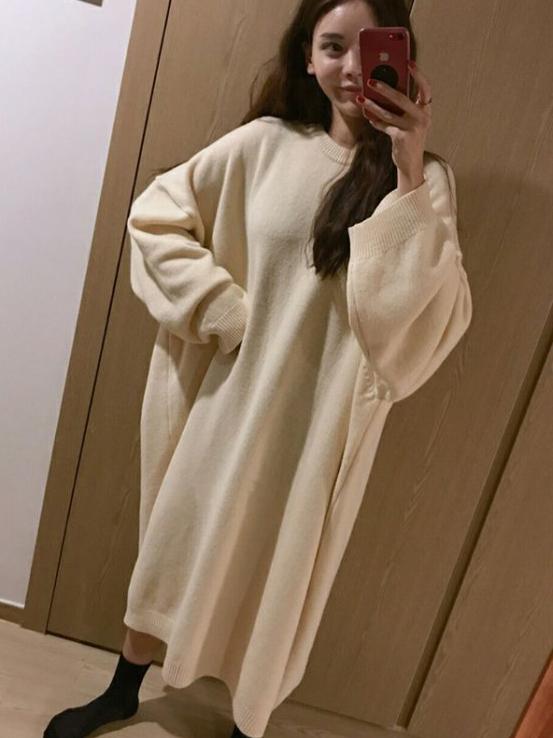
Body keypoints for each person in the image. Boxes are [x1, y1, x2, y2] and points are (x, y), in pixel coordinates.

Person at [43, 0, 472, 736]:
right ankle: (123, 690)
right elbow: (157, 217)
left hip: (322, 431)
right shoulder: (263, 145)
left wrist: (407, 174)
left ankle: (248, 724)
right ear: (306, 57)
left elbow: (420, 323)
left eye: (365, 47)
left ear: (398, 55)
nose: (349, 67)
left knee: (280, 576)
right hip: (232, 403)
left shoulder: (425, 182)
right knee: (180, 544)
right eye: (330, 46)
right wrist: (221, 311)